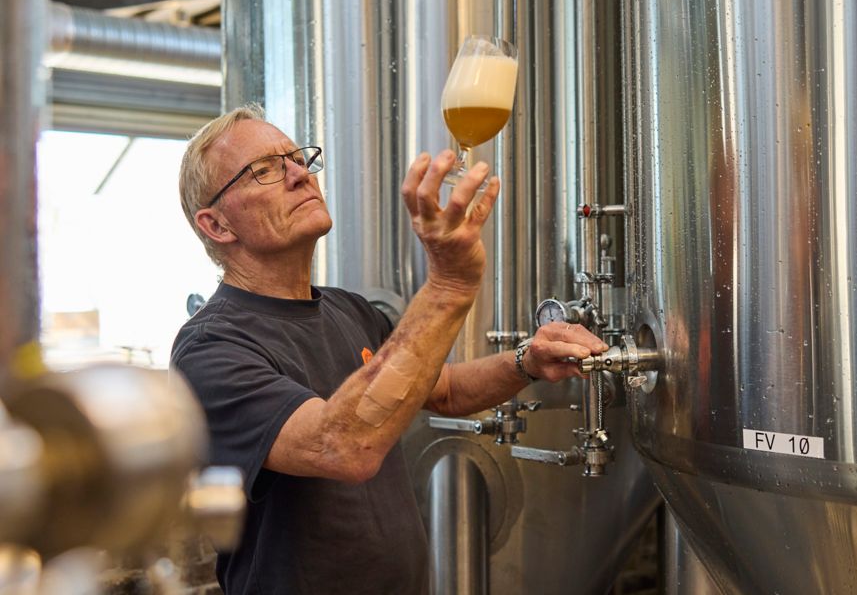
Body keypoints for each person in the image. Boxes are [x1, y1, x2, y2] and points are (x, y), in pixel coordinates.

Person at [170, 103, 608, 595]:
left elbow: (443, 389)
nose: (299, 175)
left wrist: (526, 360)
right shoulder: (211, 348)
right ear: (217, 225)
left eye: (297, 158)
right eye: (264, 171)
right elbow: (342, 446)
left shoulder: (347, 310)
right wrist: (447, 287)